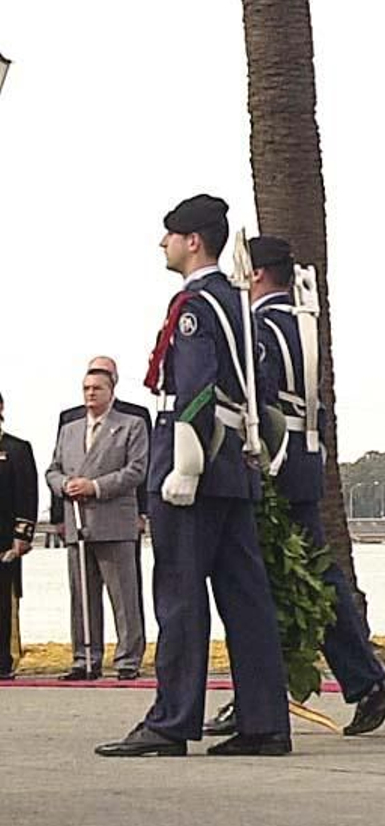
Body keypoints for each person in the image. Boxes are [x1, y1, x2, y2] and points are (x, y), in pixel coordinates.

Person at [95, 194, 292, 757]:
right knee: (245, 598)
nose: (163, 244)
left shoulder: (196, 306)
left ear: (193, 241)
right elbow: (265, 388)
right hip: (234, 465)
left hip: (196, 465)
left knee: (180, 597)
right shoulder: (239, 303)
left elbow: (195, 388)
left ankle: (173, 719)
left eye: (170, 235)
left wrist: (184, 464)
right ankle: (264, 722)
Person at [200, 235, 385, 734]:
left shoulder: (260, 326)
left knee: (262, 583)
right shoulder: (302, 324)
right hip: (304, 458)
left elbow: (254, 395)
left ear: (259, 275)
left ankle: (260, 696)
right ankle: (362, 679)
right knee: (312, 577)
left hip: (274, 460)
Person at [46, 368, 148, 680]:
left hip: (114, 521)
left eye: (97, 388)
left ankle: (128, 660)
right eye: (87, 388)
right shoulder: (71, 429)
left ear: (111, 391)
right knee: (82, 596)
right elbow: (53, 469)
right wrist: (64, 484)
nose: (91, 394)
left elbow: (137, 470)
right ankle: (85, 659)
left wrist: (95, 486)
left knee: (123, 597)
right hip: (78, 522)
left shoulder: (131, 425)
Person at [0, 391, 38, 681]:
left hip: (3, 543)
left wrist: (22, 536)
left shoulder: (16, 449)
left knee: (3, 603)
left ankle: (3, 661)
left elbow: (27, 496)